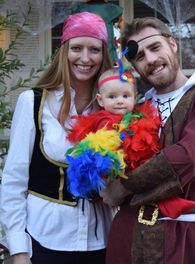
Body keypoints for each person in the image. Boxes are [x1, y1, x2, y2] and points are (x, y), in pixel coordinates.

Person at [100, 17, 195, 264]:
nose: (150, 59)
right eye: (139, 57)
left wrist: (124, 187)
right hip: (128, 237)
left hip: (188, 240)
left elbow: (192, 158)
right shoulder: (133, 112)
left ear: (172, 44)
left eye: (155, 47)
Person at [0, 12, 114, 264]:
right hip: (45, 239)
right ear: (64, 51)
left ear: (103, 54)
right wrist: (19, 251)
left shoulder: (113, 108)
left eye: (94, 49)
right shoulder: (33, 102)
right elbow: (13, 181)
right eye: (76, 48)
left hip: (102, 241)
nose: (85, 58)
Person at [66, 66, 195, 221]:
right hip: (118, 165)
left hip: (135, 164)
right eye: (112, 97)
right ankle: (171, 204)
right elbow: (106, 144)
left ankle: (170, 203)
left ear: (135, 97)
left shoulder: (136, 116)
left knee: (151, 177)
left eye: (125, 96)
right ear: (100, 100)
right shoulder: (105, 120)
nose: (120, 101)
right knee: (146, 183)